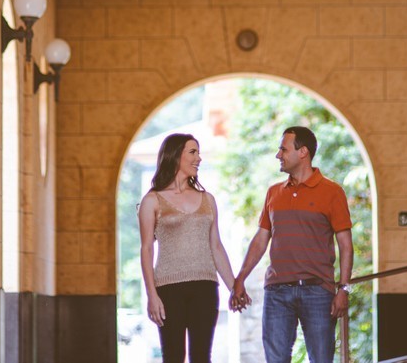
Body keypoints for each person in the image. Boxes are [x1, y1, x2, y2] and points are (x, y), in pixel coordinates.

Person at [229, 126, 353, 363]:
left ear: (303, 152)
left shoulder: (332, 192)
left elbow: (346, 245)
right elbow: (260, 240)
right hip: (277, 292)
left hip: (318, 291)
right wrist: (240, 278)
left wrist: (343, 289)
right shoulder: (274, 193)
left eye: (283, 149)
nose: (278, 155)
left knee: (322, 360)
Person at [138, 133, 237, 363]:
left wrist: (234, 287)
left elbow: (217, 246)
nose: (199, 159)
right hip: (168, 289)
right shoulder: (152, 200)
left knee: (202, 357)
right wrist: (151, 295)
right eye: (193, 152)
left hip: (205, 287)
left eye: (199, 153)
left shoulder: (208, 200)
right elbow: (146, 250)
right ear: (175, 156)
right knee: (173, 357)